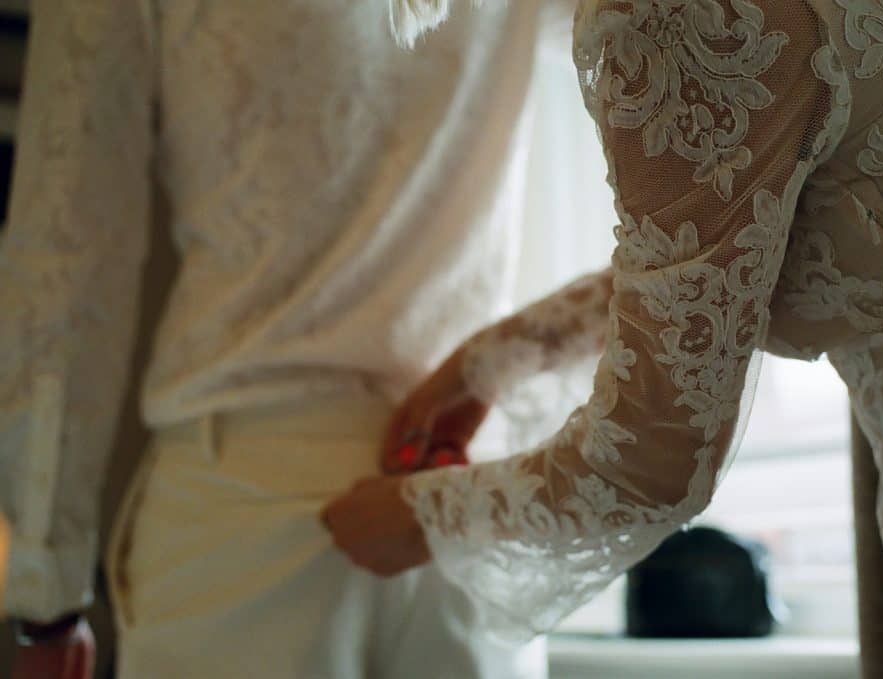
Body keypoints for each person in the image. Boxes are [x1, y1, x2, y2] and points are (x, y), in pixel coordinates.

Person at [325, 0, 883, 676]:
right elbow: (722, 264)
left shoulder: (670, 14)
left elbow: (654, 458)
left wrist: (423, 515)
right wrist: (485, 365)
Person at [0, 0, 579, 677]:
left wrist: (47, 591)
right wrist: (508, 355)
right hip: (462, 513)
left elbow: (67, 261)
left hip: (243, 517)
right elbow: (723, 152)